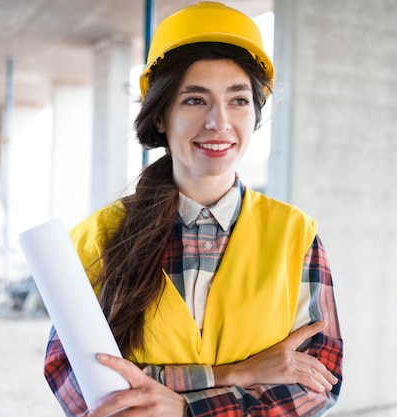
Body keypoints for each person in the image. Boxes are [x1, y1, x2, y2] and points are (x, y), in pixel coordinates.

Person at [44, 2, 343, 416]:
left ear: (255, 114)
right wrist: (237, 374)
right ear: (161, 116)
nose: (219, 121)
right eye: (194, 100)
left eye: (238, 100)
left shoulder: (295, 234)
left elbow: (318, 381)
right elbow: (73, 375)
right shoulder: (98, 237)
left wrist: (185, 410)